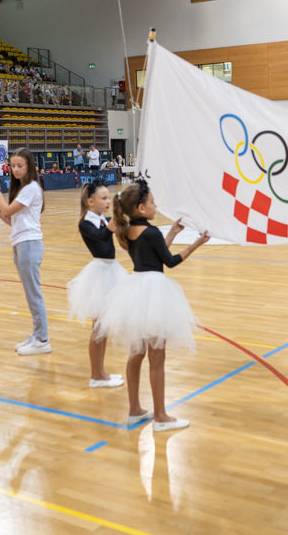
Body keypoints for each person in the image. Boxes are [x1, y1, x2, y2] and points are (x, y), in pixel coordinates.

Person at [95, 180, 209, 432]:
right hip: (154, 292)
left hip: (135, 289)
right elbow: (169, 261)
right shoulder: (151, 232)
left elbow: (151, 256)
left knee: (136, 352)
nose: (156, 206)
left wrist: (172, 234)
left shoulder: (128, 230)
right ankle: (160, 416)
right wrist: (196, 244)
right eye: (152, 203)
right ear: (141, 208)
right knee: (157, 357)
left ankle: (135, 409)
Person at [0, 148, 51, 355]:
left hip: (29, 244)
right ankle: (37, 334)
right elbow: (10, 219)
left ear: (29, 167)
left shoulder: (31, 188)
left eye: (20, 166)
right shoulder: (23, 189)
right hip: (20, 242)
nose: (15, 169)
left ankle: (42, 339)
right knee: (30, 294)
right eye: (12, 166)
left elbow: (8, 209)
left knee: (34, 294)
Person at [67, 179, 128, 388]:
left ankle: (101, 372)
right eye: (103, 198)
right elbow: (101, 241)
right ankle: (96, 375)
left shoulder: (103, 219)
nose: (107, 201)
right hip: (100, 274)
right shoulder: (86, 223)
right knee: (98, 328)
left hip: (111, 271)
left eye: (108, 197)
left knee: (103, 328)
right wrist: (112, 226)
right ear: (90, 202)